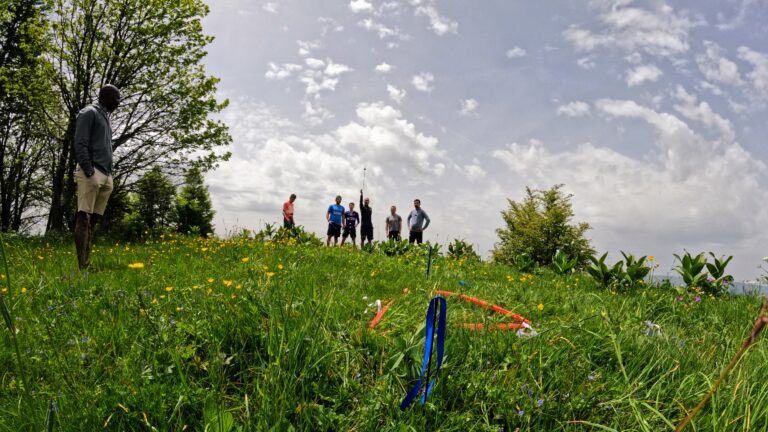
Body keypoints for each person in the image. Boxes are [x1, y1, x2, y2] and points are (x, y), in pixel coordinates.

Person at [73, 84, 120, 270]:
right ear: (106, 96)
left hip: (107, 174)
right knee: (84, 217)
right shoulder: (89, 112)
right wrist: (88, 169)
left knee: (94, 220)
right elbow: (80, 142)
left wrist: (109, 173)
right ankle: (82, 266)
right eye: (116, 98)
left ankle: (88, 261)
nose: (118, 102)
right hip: (91, 171)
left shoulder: (106, 118)